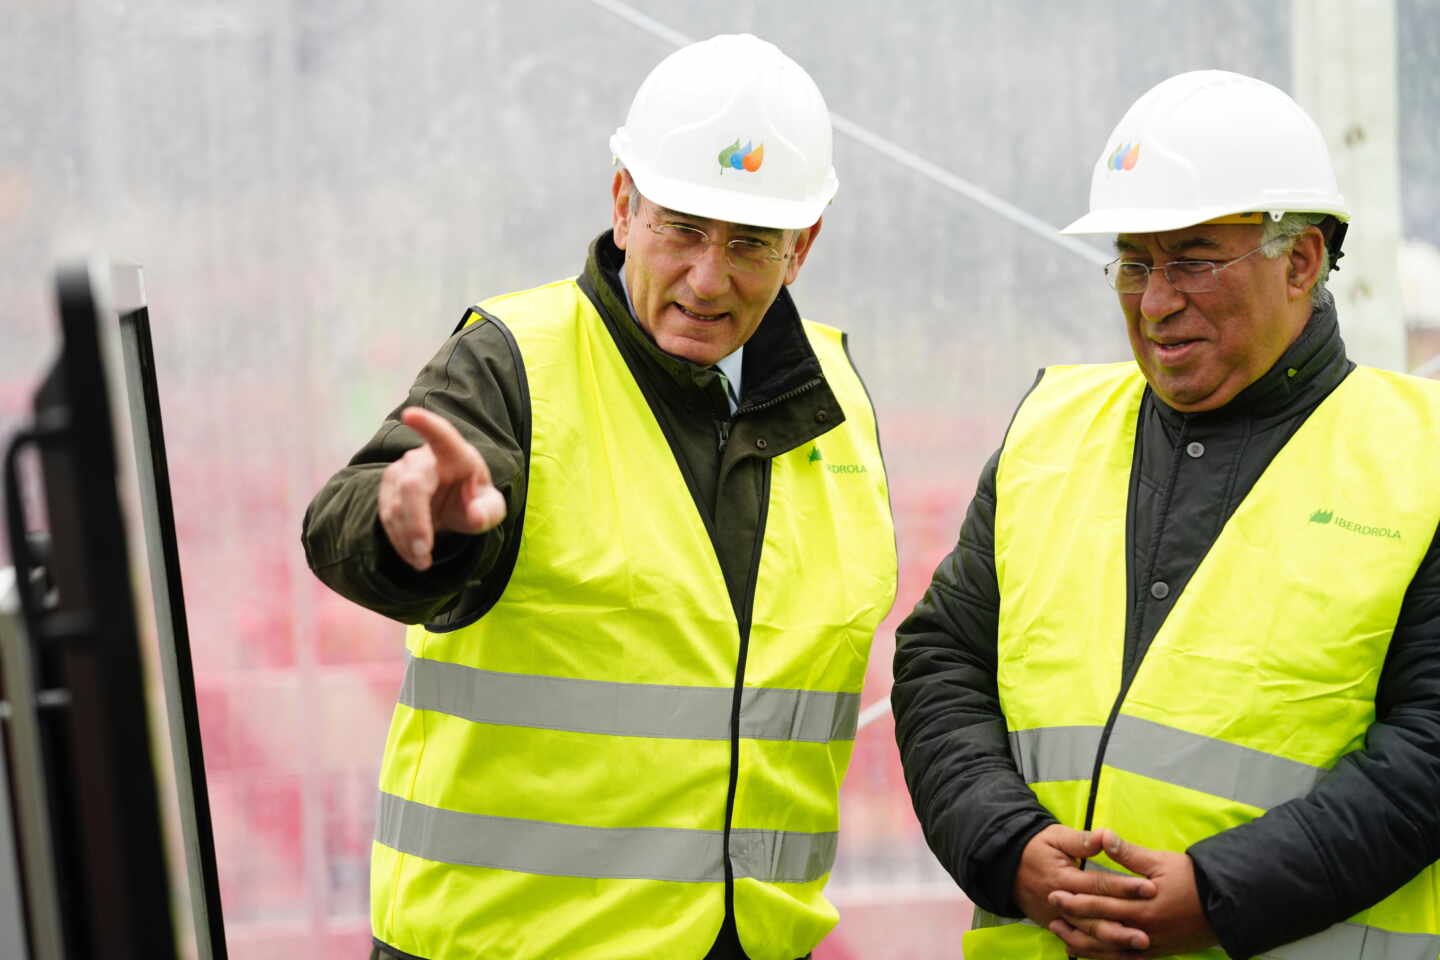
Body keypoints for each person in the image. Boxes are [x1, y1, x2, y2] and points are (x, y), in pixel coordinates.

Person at [302, 33, 896, 960]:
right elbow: (351, 516)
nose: (708, 278)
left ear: (803, 246)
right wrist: (411, 524)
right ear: (624, 206)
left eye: (749, 243)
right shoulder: (513, 360)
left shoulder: (839, 398)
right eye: (683, 228)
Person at [892, 69, 1440, 960]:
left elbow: (1428, 752)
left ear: (1301, 259)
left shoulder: (1421, 459)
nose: (1153, 302)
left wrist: (1222, 895)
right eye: (1135, 262)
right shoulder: (1049, 430)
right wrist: (1008, 847)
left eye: (1192, 259)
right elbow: (941, 661)